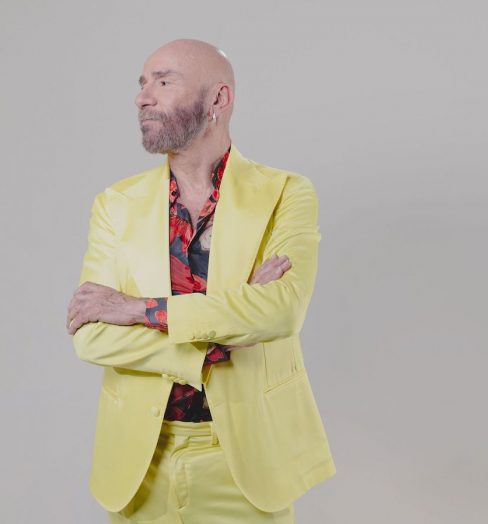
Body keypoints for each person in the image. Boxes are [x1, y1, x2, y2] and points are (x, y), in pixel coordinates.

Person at [66, 38, 335, 524]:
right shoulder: (115, 204)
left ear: (218, 98)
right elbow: (91, 336)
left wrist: (136, 309)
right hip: (139, 466)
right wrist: (222, 334)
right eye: (142, 83)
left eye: (163, 82)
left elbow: (281, 311)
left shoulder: (285, 193)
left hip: (249, 463)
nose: (142, 97)